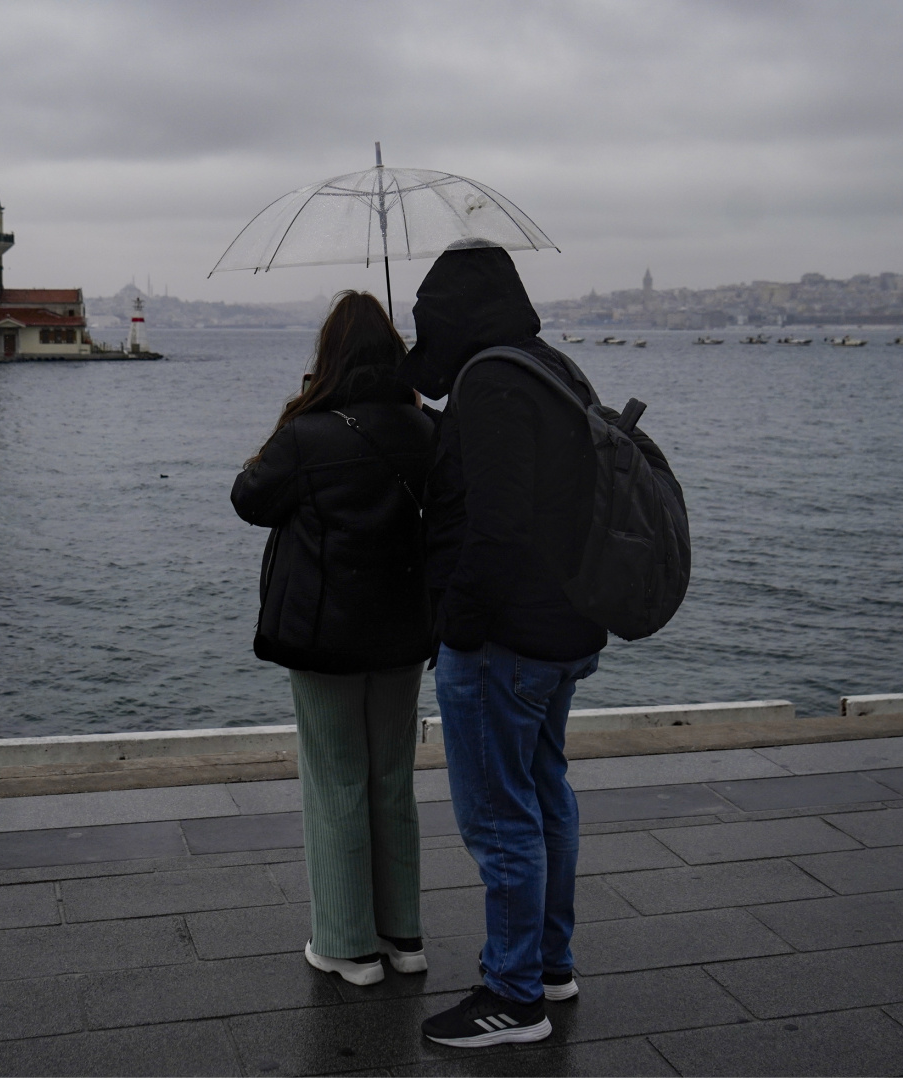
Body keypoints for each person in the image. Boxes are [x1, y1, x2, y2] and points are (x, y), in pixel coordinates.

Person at [399, 243, 674, 1047]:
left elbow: (497, 522)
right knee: (547, 796)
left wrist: (457, 625)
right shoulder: (548, 368)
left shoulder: (489, 383)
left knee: (500, 819)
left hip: (505, 641)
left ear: (450, 315)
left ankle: (513, 997)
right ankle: (551, 965)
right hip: (565, 629)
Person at [231, 290, 434, 987]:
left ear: (330, 357)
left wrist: (289, 420)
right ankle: (402, 937)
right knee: (392, 778)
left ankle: (347, 945)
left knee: (336, 778)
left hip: (324, 634)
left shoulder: (308, 434)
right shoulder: (426, 429)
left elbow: (249, 498)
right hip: (404, 629)